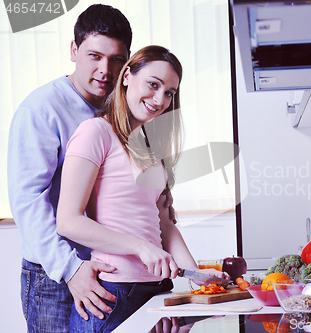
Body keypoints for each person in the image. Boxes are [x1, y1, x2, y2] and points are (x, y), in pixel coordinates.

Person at [56, 45, 225, 333]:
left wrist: (197, 275)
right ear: (126, 76)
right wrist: (142, 248)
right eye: (153, 84)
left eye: (169, 92)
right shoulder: (95, 132)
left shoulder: (149, 148)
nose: (160, 99)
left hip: (156, 291)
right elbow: (68, 221)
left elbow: (163, 224)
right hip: (113, 296)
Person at [7, 4, 136, 332]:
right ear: (73, 50)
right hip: (55, 274)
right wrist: (71, 269)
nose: (105, 70)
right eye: (94, 56)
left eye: (116, 59)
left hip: (108, 268)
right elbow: (28, 201)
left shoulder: (120, 108)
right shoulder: (41, 110)